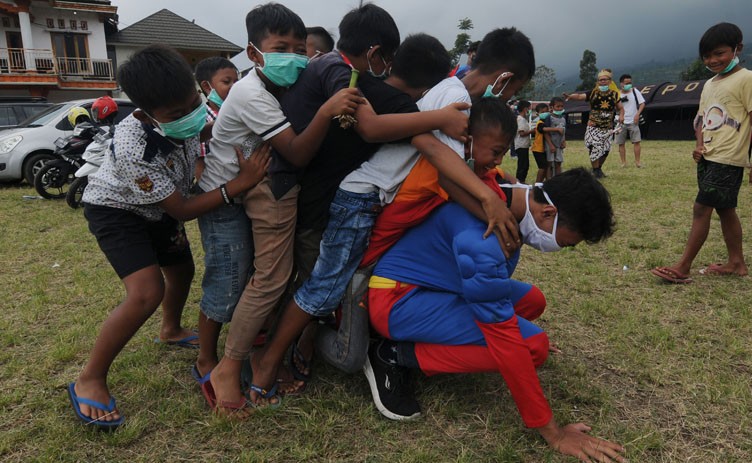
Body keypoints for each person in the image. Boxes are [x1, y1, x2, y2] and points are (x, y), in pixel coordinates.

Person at [223, 3, 483, 409]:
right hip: (305, 200)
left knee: (309, 282)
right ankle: (257, 359)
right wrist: (439, 118)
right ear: (378, 54)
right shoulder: (337, 72)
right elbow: (373, 127)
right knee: (306, 285)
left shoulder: (337, 70)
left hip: (314, 198)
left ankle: (286, 353)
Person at [67, 45, 270, 429]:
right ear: (145, 114)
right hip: (118, 211)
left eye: (194, 103)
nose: (191, 116)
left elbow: (207, 128)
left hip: (157, 207)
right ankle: (90, 377)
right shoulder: (133, 146)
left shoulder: (190, 112)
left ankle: (171, 328)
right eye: (177, 115)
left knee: (182, 271)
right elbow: (181, 209)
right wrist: (238, 184)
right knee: (146, 291)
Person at [363, 168, 624, 463]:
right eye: (566, 243)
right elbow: (505, 340)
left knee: (532, 302)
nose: (562, 249)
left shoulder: (505, 195)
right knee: (532, 347)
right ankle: (394, 354)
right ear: (548, 213)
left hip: (437, 283)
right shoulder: (483, 242)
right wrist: (555, 433)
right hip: (398, 300)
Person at [198, 2, 364, 414]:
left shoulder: (276, 84)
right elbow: (297, 152)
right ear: (254, 53)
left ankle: (251, 353)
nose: (292, 57)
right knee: (267, 279)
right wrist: (327, 109)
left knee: (266, 275)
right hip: (257, 187)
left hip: (260, 184)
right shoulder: (253, 93)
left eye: (297, 48)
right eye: (280, 47)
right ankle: (227, 366)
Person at [361, 27, 535, 268]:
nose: (509, 97)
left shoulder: (448, 87)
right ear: (503, 79)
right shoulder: (457, 99)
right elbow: (449, 179)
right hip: (380, 196)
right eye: (514, 90)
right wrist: (491, 210)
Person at [651, 22, 752, 285]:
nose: (713, 60)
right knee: (725, 209)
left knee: (701, 208)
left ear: (738, 48)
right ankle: (736, 262)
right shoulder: (709, 85)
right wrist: (699, 144)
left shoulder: (748, 78)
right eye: (707, 56)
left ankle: (682, 267)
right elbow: (702, 118)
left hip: (728, 158)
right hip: (709, 157)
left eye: (719, 53)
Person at [564, 70, 624, 178]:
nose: (602, 82)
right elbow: (579, 96)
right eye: (600, 80)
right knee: (594, 147)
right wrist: (570, 97)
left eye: (605, 80)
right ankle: (596, 170)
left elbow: (620, 108)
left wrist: (621, 116)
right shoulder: (593, 93)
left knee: (605, 150)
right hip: (594, 126)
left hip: (607, 127)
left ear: (610, 81)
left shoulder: (615, 95)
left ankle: (598, 168)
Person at [193, 57, 240, 181]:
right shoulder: (202, 120)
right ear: (207, 87)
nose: (234, 87)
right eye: (226, 82)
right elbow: (200, 164)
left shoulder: (241, 110)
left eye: (236, 81)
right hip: (220, 187)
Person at [615, 74, 645, 168]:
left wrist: (637, 114)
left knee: (637, 141)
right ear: (621, 84)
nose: (629, 84)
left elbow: (642, 104)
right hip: (620, 122)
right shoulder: (617, 94)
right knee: (621, 143)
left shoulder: (635, 91)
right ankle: (623, 163)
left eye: (630, 83)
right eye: (626, 83)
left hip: (633, 121)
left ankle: (638, 162)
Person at [545, 97, 567, 179]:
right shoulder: (548, 118)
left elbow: (564, 131)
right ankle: (549, 180)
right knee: (549, 163)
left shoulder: (563, 119)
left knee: (558, 162)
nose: (560, 108)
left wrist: (564, 141)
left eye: (561, 106)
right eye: (558, 106)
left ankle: (558, 180)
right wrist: (550, 145)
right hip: (549, 144)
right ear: (552, 107)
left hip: (559, 145)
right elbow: (545, 132)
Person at [530, 103, 549, 183]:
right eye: (543, 112)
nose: (545, 114)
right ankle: (537, 183)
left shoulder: (545, 122)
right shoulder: (540, 123)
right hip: (538, 149)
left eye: (546, 112)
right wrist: (557, 129)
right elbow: (542, 130)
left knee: (546, 167)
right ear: (538, 113)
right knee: (542, 167)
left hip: (542, 149)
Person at [514, 100, 532, 182]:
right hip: (521, 145)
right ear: (525, 109)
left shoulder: (523, 119)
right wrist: (532, 131)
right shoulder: (520, 119)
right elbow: (521, 133)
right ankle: (520, 181)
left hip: (524, 145)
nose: (529, 110)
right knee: (523, 165)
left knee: (525, 164)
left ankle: (521, 180)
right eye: (529, 108)